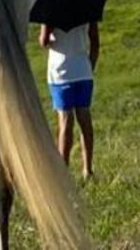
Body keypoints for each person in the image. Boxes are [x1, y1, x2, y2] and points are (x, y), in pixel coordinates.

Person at [39, 19, 99, 180]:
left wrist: (47, 31)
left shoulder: (51, 10)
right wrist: (89, 66)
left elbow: (43, 41)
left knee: (66, 121)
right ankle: (87, 168)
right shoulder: (87, 8)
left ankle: (63, 171)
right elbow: (95, 41)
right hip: (83, 70)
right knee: (84, 118)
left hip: (60, 73)